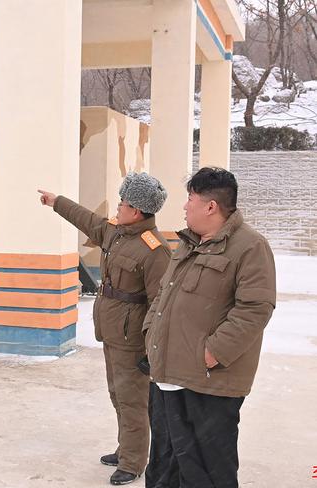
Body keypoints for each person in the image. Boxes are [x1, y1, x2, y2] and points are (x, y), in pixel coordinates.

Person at [142, 167, 276, 488]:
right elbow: (164, 293)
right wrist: (151, 332)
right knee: (164, 467)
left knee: (207, 473)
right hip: (166, 377)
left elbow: (256, 308)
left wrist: (212, 353)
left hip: (208, 386)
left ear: (210, 206)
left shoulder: (250, 246)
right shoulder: (188, 243)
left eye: (190, 199)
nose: (185, 207)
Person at [39, 172, 171, 486]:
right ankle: (127, 447)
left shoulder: (155, 250)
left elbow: (160, 305)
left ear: (137, 211)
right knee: (117, 395)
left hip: (133, 341)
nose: (118, 207)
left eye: (123, 203)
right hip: (112, 333)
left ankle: (134, 462)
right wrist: (57, 202)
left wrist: (152, 349)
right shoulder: (117, 232)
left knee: (132, 400)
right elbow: (87, 220)